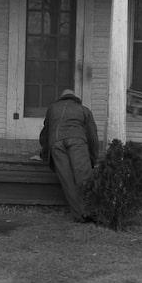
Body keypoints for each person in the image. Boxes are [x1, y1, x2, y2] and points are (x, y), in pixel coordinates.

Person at [38, 89, 99, 223]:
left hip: (56, 143)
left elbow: (45, 133)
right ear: (75, 98)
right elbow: (92, 136)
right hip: (77, 141)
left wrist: (44, 154)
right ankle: (88, 212)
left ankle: (78, 215)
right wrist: (93, 157)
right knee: (83, 178)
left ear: (61, 98)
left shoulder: (52, 109)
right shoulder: (84, 110)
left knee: (67, 180)